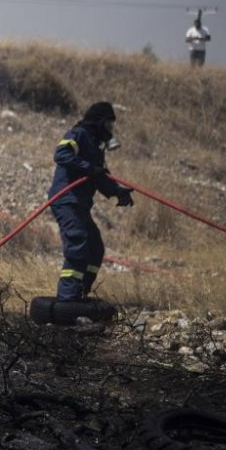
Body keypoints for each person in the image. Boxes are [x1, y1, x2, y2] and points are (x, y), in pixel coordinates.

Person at [47, 101, 134, 303]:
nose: (110, 130)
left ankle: (80, 294)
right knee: (78, 244)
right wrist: (88, 167)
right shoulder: (79, 134)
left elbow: (99, 176)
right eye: (108, 124)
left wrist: (117, 191)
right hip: (66, 199)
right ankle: (68, 299)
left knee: (95, 249)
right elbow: (61, 154)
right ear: (99, 121)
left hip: (80, 204)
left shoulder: (96, 146)